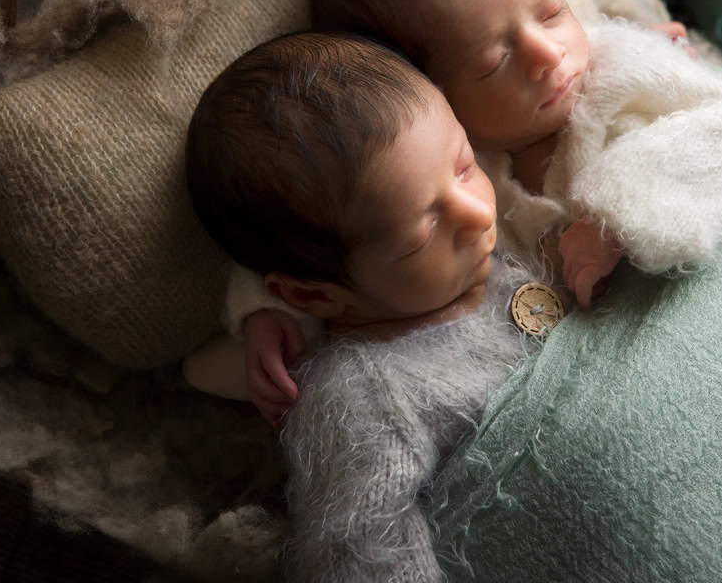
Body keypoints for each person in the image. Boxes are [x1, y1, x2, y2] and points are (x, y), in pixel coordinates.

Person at [195, 0, 722, 422]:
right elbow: (332, 226)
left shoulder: (615, 69)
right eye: (495, 61)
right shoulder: (449, 166)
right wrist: (266, 315)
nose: (547, 53)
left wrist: (613, 221)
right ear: (423, 92)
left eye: (551, 11)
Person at [184, 30, 549, 582]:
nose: (475, 213)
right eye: (422, 233)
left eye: (464, 164)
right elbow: (355, 557)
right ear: (313, 296)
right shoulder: (361, 396)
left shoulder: (495, 235)